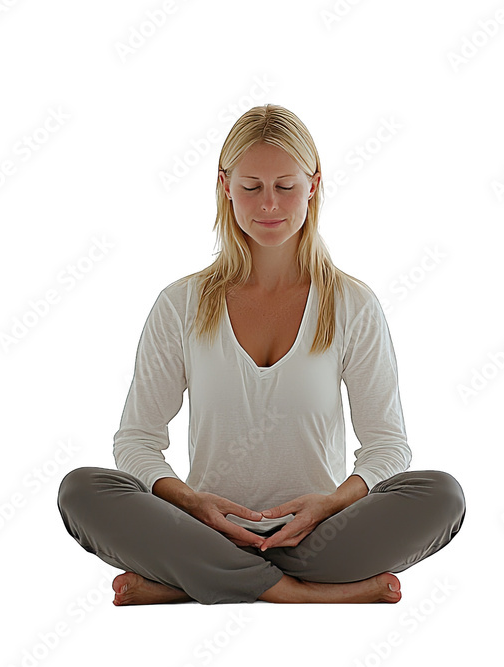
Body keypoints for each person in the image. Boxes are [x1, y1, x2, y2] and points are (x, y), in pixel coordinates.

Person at [56, 104, 465, 605]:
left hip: (318, 538)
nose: (269, 204)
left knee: (441, 495)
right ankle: (300, 592)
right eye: (251, 187)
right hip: (204, 531)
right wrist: (192, 503)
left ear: (313, 185)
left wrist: (330, 504)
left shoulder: (352, 304)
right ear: (225, 186)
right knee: (82, 490)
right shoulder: (180, 303)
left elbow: (387, 446)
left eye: (285, 186)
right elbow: (137, 440)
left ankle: (192, 581)